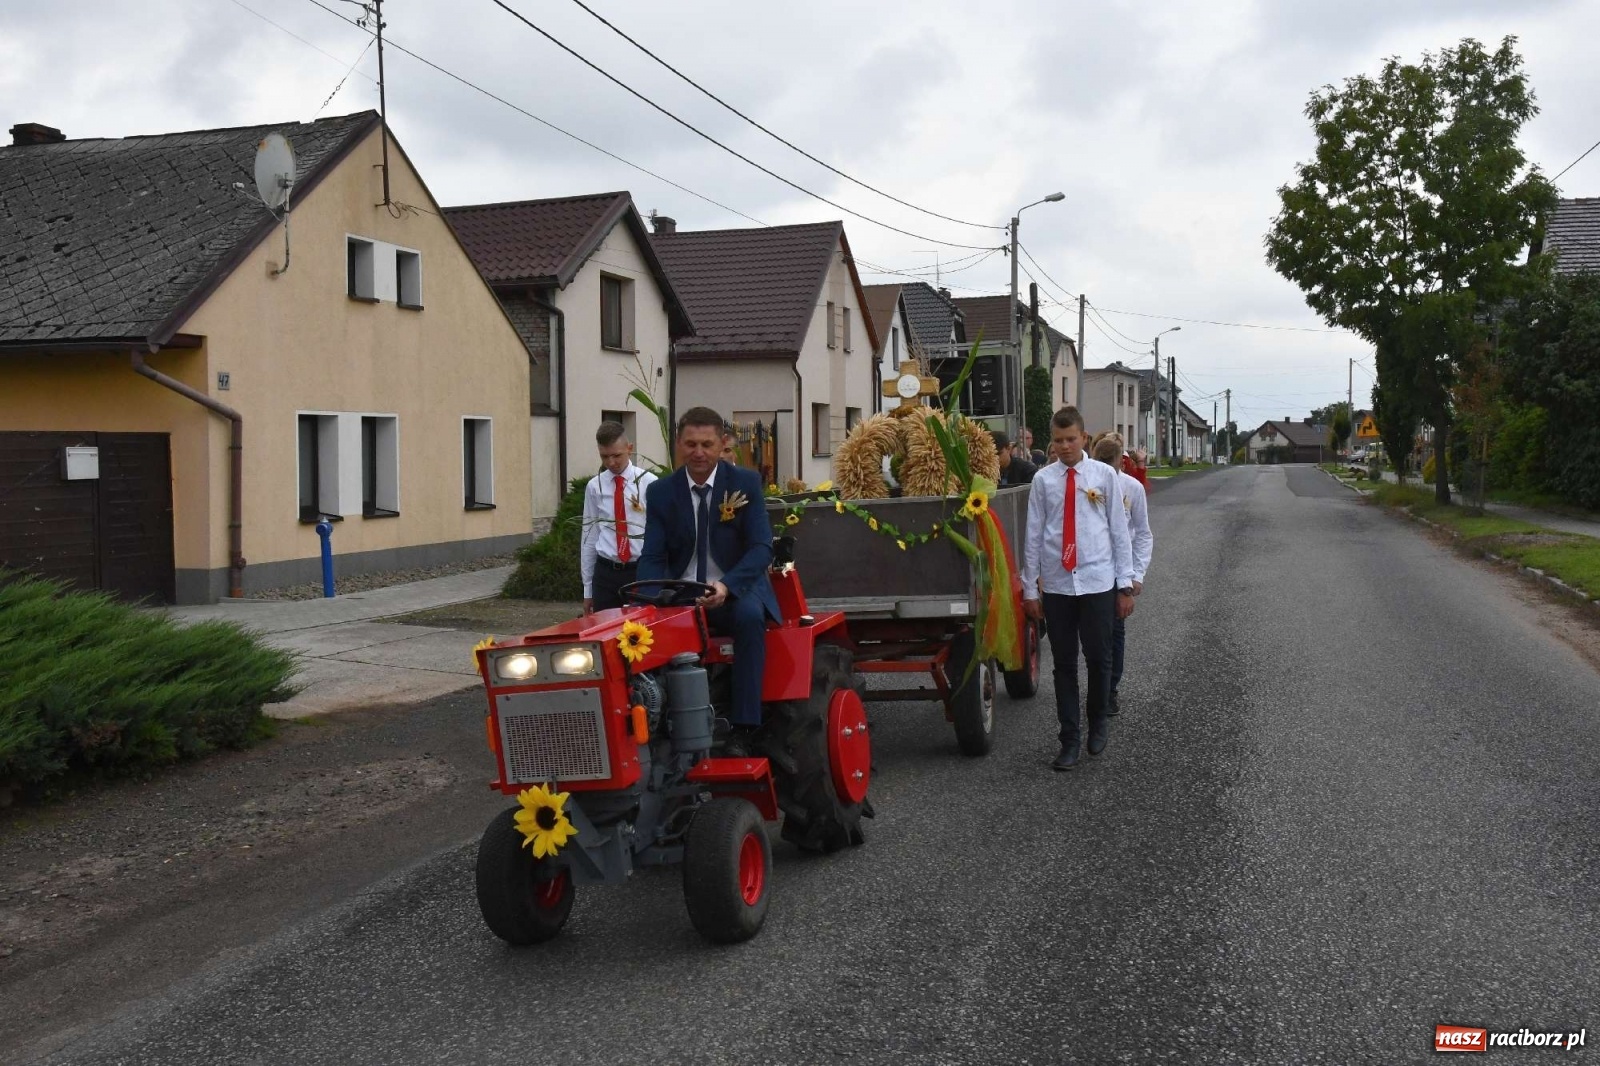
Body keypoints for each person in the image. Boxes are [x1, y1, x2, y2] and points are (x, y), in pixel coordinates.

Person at [639, 407, 779, 753]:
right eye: (690, 444)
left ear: (722, 444)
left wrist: (726, 586)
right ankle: (658, 720)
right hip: (682, 594)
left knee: (749, 618)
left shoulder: (744, 483)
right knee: (638, 633)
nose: (698, 452)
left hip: (733, 590)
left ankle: (746, 726)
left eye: (706, 444)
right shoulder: (661, 492)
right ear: (678, 445)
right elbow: (654, 555)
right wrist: (647, 599)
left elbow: (761, 548)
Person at [1021, 406, 1135, 771]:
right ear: (1051, 442)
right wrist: (1030, 590)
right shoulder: (1043, 480)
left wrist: (1125, 586)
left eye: (1071, 439)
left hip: (1097, 582)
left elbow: (1119, 532)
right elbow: (1034, 535)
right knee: (1064, 665)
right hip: (1058, 586)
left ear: (1084, 438)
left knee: (1099, 658)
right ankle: (1068, 738)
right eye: (1058, 441)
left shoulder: (1103, 476)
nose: (1065, 447)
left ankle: (1098, 719)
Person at [1092, 433, 1152, 717]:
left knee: (1114, 633)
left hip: (1119, 571)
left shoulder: (1132, 488)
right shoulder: (1085, 485)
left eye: (1111, 463)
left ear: (1121, 463)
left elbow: (1142, 533)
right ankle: (1097, 687)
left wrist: (1135, 574)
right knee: (1092, 636)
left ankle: (1109, 690)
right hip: (1090, 570)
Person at [581, 421, 656, 613]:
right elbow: (589, 536)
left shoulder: (649, 483)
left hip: (639, 571)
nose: (611, 462)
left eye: (616, 456)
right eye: (604, 457)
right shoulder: (595, 486)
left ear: (629, 449)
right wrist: (587, 590)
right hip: (605, 573)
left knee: (639, 634)